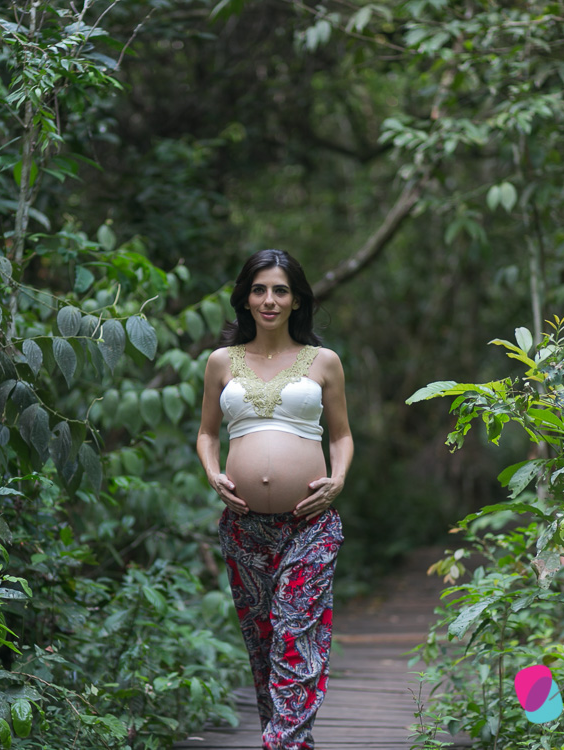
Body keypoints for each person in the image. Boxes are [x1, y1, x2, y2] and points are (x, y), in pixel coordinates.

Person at [196, 248, 353, 750]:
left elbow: (341, 437)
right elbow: (206, 434)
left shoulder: (323, 362)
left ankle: (282, 743)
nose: (269, 299)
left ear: (296, 299)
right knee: (264, 642)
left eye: (280, 290)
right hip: (244, 528)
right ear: (244, 298)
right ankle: (287, 736)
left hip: (309, 524)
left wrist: (340, 478)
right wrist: (213, 472)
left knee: (293, 630)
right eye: (259, 289)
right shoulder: (221, 362)